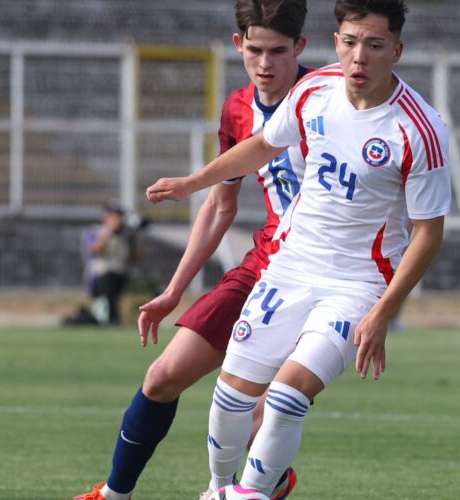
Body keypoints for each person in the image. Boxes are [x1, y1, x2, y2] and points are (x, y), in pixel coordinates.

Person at [146, 0, 450, 496]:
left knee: (287, 395)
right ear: (336, 43)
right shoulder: (314, 91)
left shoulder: (419, 128)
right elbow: (265, 144)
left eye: (374, 46)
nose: (359, 58)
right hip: (289, 269)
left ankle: (249, 493)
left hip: (357, 287)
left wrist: (383, 311)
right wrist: (194, 182)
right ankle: (219, 489)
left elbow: (428, 234)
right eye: (351, 43)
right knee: (230, 393)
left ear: (396, 50)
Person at [74, 1, 309, 498]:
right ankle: (114, 494)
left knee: (261, 410)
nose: (264, 63)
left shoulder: (328, 101)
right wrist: (173, 291)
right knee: (161, 377)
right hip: (266, 262)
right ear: (237, 46)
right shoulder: (238, 108)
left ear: (301, 48)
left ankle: (253, 483)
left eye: (278, 51)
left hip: (322, 277)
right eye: (254, 50)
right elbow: (221, 207)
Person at [88, 200, 141, 325]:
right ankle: (112, 318)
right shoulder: (98, 231)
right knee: (109, 281)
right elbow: (94, 251)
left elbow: (137, 258)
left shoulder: (127, 234)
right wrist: (109, 230)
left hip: (123, 273)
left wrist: (135, 237)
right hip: (104, 273)